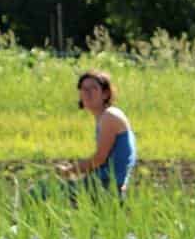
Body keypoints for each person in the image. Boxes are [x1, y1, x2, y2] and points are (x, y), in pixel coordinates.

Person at [53, 69, 137, 199]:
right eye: (83, 89)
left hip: (105, 185)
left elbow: (99, 158)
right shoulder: (104, 116)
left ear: (105, 94)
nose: (87, 93)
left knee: (42, 191)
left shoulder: (110, 116)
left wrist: (69, 171)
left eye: (93, 88)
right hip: (105, 183)